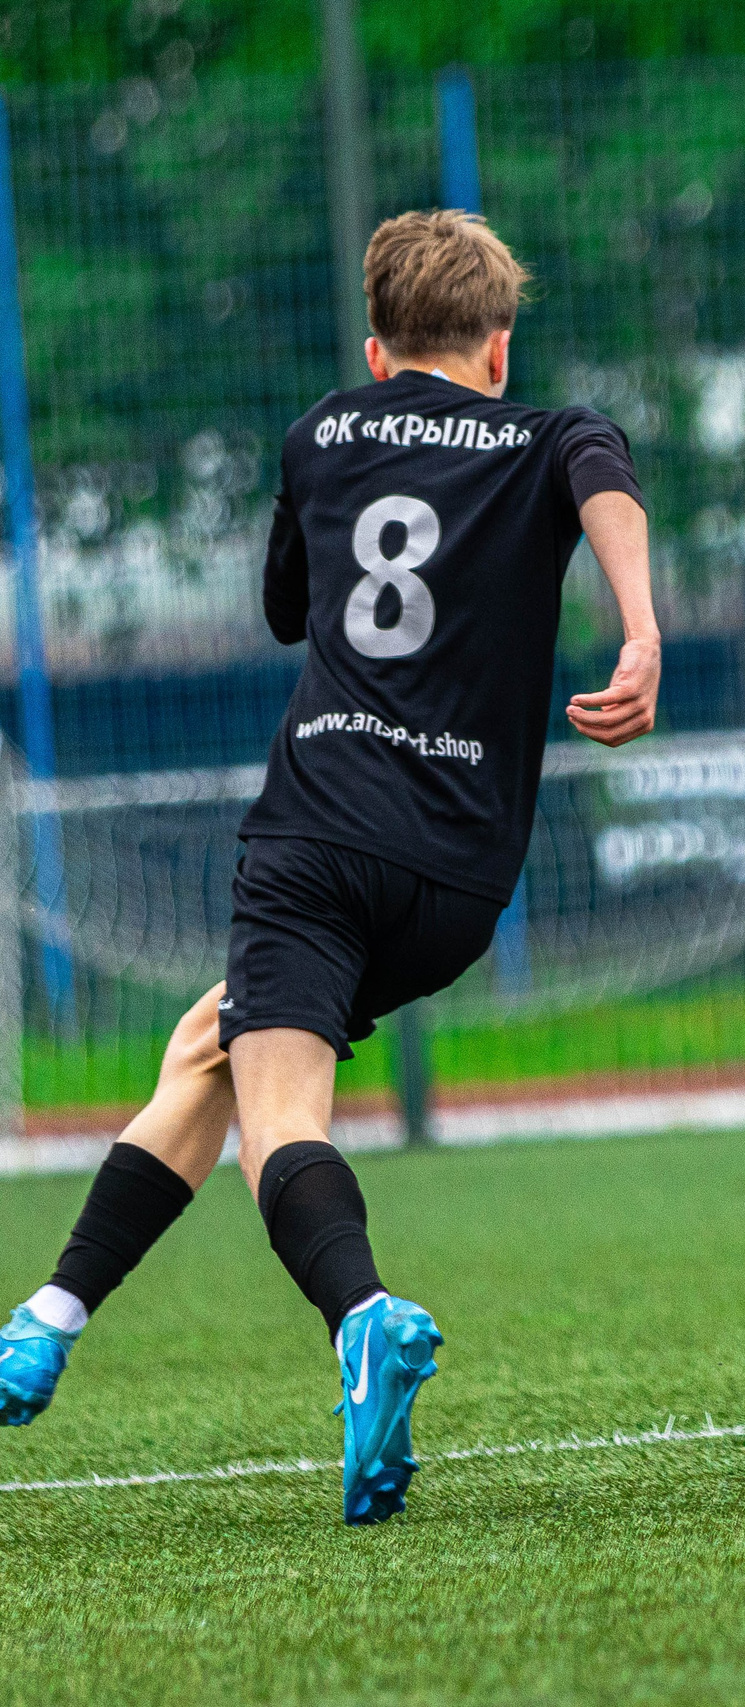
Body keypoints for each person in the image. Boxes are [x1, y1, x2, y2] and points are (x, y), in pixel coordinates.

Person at [0, 210, 662, 1524]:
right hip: (461, 878)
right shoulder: (546, 430)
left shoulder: (321, 432)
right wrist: (639, 633)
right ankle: (45, 1315)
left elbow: (288, 609)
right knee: (214, 1043)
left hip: (315, 834)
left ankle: (360, 1313)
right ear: (498, 344)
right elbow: (606, 479)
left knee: (278, 1112)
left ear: (375, 346)